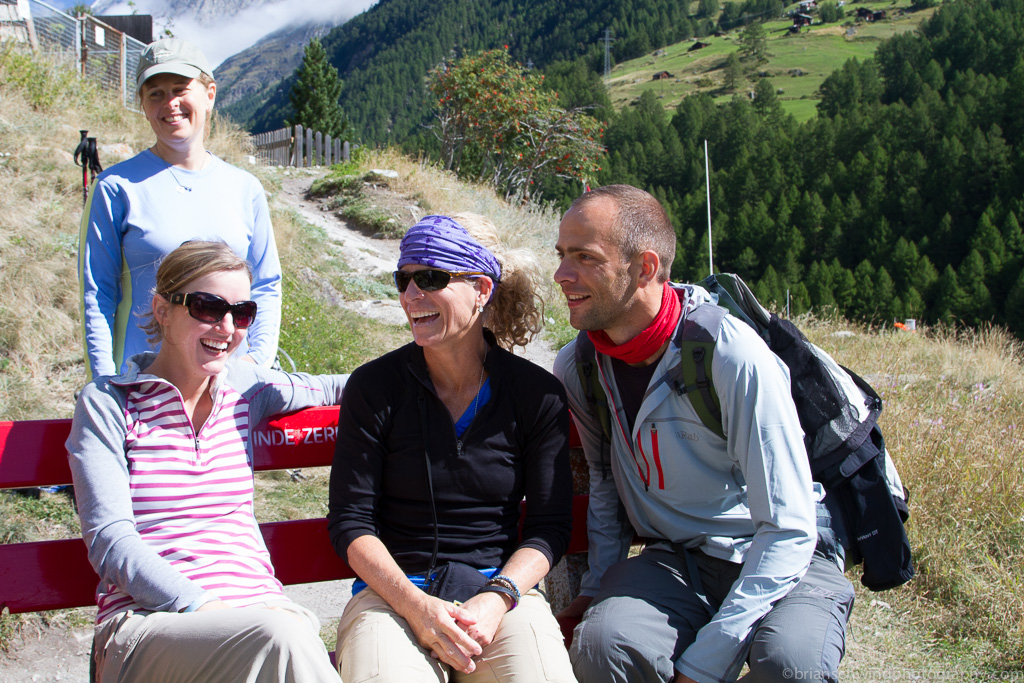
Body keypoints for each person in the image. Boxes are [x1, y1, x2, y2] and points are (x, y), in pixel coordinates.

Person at [551, 185, 855, 683]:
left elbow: (788, 528)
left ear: (645, 268)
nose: (562, 274)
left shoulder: (730, 355)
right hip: (678, 560)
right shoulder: (581, 365)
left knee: (791, 666)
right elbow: (605, 482)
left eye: (585, 257)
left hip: (788, 560)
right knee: (604, 647)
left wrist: (703, 667)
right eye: (562, 254)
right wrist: (597, 587)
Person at [67, 241, 343, 683]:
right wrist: (204, 607)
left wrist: (444, 365)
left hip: (262, 616)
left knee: (284, 633)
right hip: (151, 624)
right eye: (208, 307)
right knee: (283, 636)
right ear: (162, 310)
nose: (227, 327)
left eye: (242, 312)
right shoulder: (110, 403)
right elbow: (110, 539)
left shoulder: (244, 387)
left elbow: (335, 388)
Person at [328, 214, 577, 683]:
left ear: (481, 289)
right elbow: (350, 522)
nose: (410, 295)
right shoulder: (375, 388)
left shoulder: (535, 395)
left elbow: (549, 528)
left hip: (500, 596)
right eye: (403, 279)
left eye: (430, 278)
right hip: (391, 599)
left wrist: (498, 598)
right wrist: (416, 606)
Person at [79, 38, 281, 381]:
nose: (169, 103)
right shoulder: (115, 187)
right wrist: (104, 382)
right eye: (155, 93)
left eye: (179, 89)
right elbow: (97, 294)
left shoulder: (245, 189)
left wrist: (257, 362)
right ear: (143, 104)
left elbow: (266, 284)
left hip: (230, 384)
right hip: (144, 386)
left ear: (210, 94)